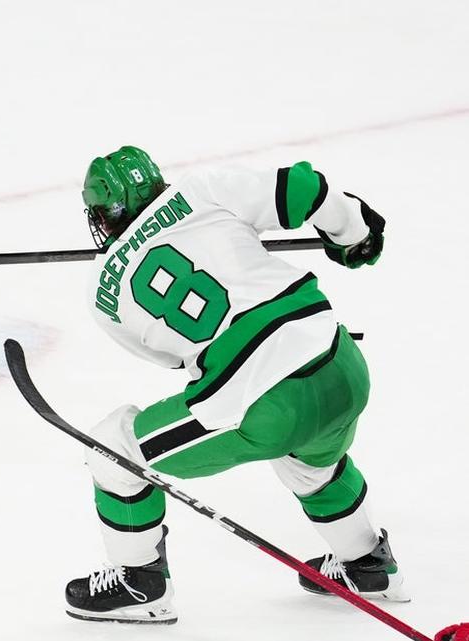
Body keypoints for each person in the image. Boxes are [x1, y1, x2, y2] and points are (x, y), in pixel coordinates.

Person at [67, 145, 398, 624]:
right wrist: (353, 233)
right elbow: (305, 187)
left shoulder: (105, 291)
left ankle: (140, 585)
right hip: (341, 364)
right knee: (311, 465)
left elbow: (176, 359)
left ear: (106, 213)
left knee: (112, 450)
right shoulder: (201, 190)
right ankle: (368, 565)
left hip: (265, 405)